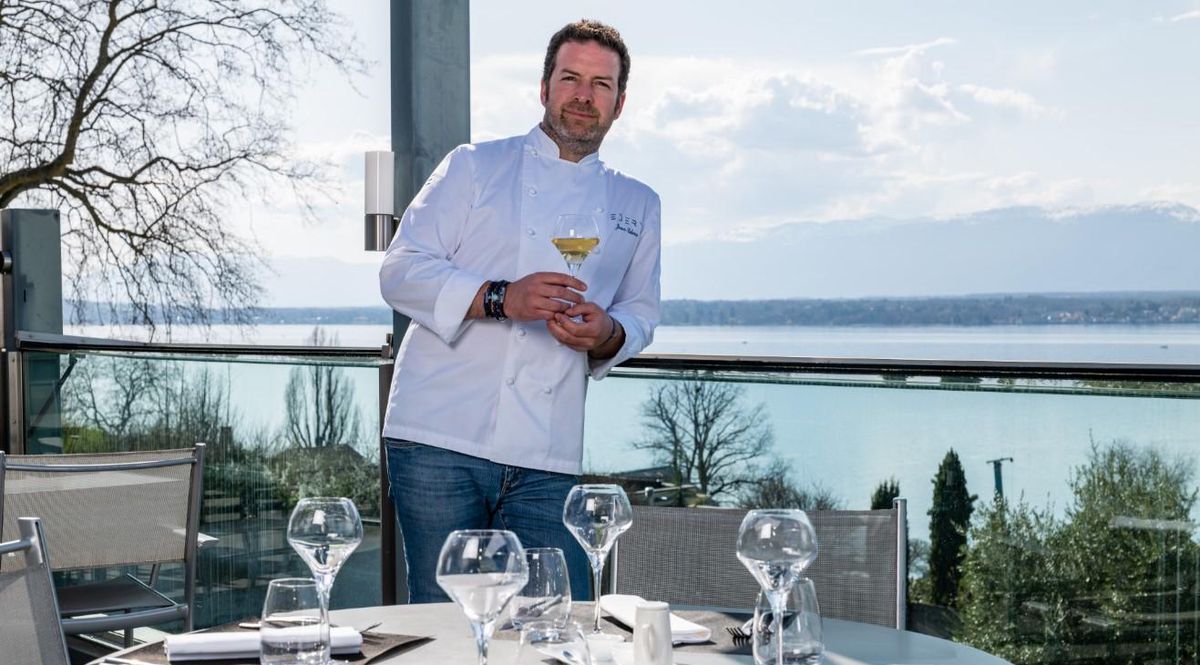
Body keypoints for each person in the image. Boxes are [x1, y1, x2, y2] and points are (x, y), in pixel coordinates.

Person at [379, 19, 661, 603]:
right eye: (571, 78)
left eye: (601, 85)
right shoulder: (473, 167)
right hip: (438, 436)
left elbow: (640, 314)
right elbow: (400, 271)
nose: (584, 96)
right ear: (544, 88)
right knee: (448, 626)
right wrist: (504, 297)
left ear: (620, 102)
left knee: (558, 616)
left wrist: (607, 331)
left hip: (547, 450)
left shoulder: (639, 203)